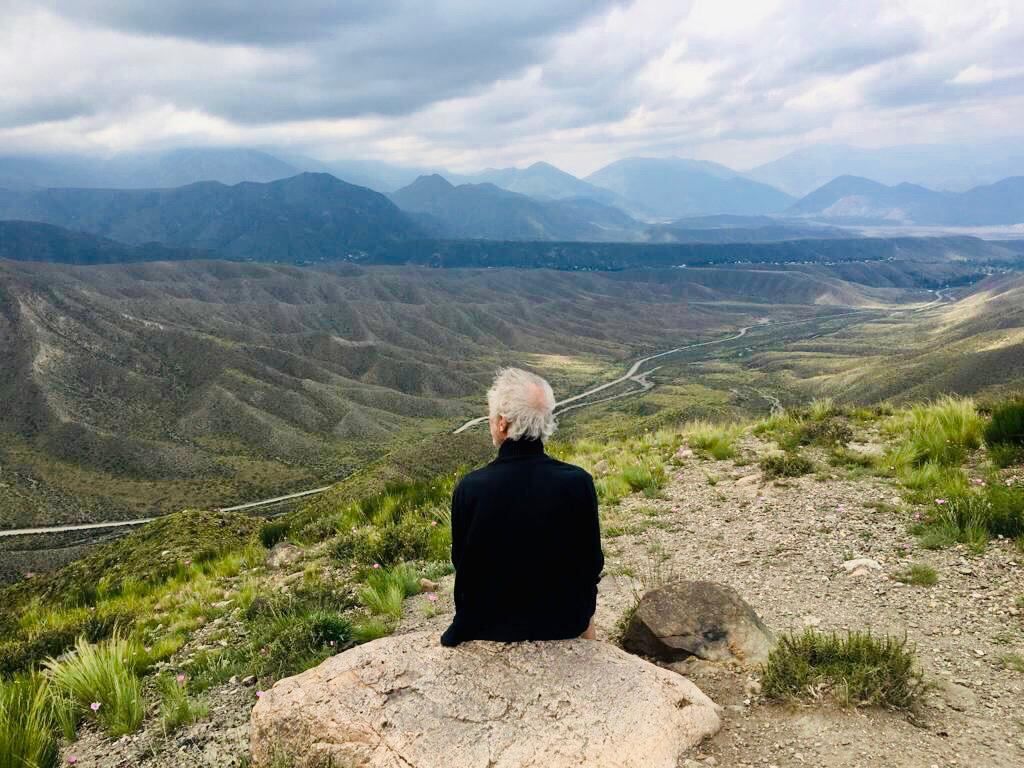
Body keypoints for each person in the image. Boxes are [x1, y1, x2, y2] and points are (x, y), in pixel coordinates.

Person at [440, 367, 603, 647]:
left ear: (502, 423)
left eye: (492, 418)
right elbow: (592, 564)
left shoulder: (470, 488)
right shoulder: (579, 482)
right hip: (564, 621)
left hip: (486, 625)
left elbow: (462, 563)